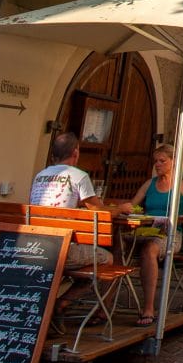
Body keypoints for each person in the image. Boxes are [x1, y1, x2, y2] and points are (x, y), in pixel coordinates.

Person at [114, 145, 183, 327]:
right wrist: (127, 209)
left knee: (150, 249)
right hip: (145, 231)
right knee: (117, 245)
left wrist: (176, 218)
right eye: (155, 161)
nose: (158, 164)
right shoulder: (149, 184)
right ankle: (105, 307)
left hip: (169, 234)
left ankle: (149, 308)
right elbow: (132, 206)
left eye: (162, 161)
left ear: (174, 162)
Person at [29, 131, 112, 316]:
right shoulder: (78, 176)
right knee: (107, 259)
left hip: (33, 246)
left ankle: (49, 308)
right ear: (76, 152)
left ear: (53, 154)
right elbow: (99, 210)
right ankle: (63, 303)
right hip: (61, 249)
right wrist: (122, 209)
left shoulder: (40, 175)